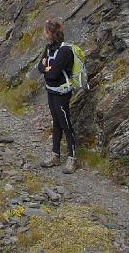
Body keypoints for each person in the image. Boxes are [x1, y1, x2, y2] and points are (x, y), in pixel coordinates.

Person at [37, 18, 78, 173]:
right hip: (51, 90)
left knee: (65, 123)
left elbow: (53, 73)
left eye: (45, 31)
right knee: (56, 122)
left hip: (61, 92)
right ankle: (56, 154)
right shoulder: (48, 48)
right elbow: (39, 66)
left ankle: (72, 158)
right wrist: (45, 68)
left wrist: (46, 68)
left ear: (51, 33)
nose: (44, 34)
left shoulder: (64, 51)